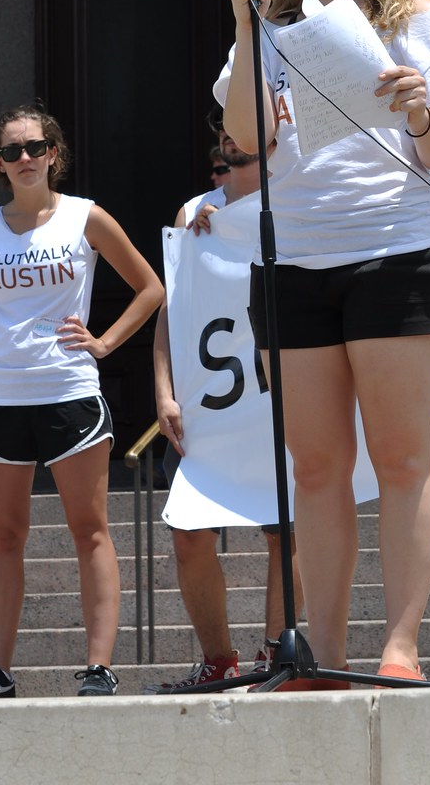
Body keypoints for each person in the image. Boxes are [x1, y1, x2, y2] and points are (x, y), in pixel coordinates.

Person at [216, 0, 430, 688]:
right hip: (293, 262)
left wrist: (413, 112)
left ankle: (399, 647)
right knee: (317, 468)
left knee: (402, 460)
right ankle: (322, 656)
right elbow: (249, 141)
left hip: (394, 255)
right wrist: (245, 28)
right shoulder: (275, 29)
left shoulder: (420, 22)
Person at [0, 104, 164, 698]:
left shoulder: (84, 217)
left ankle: (98, 666)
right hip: (0, 397)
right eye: (12, 151)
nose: (24, 159)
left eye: (34, 147)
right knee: (4, 535)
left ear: (53, 154)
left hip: (68, 392)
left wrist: (104, 343)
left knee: (89, 528)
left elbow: (151, 289)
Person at [147, 111, 303, 692]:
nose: (231, 141)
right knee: (189, 533)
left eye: (244, 135)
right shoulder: (192, 213)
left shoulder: (296, 201)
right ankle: (218, 658)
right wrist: (163, 391)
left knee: (283, 530)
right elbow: (173, 311)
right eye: (224, 135)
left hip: (279, 397)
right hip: (211, 404)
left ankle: (277, 653)